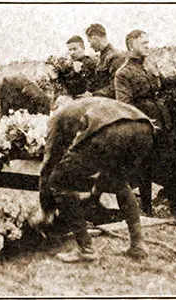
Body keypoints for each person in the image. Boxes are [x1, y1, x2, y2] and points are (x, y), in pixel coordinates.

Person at [36, 97, 156, 262]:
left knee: (59, 181)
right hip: (144, 127)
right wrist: (95, 193)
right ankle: (138, 244)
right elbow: (105, 167)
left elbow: (49, 164)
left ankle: (86, 249)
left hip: (109, 130)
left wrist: (45, 209)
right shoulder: (88, 104)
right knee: (119, 181)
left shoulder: (57, 116)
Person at [114, 30, 176, 221]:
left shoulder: (149, 65)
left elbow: (163, 84)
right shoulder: (123, 73)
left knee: (170, 164)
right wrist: (144, 121)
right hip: (144, 126)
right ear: (131, 45)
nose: (147, 45)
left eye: (147, 42)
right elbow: (125, 104)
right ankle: (148, 211)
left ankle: (175, 212)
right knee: (145, 168)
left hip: (162, 121)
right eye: (143, 43)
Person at [85, 24, 126, 98]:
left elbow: (116, 86)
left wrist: (93, 95)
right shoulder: (103, 56)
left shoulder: (115, 56)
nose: (90, 46)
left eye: (89, 41)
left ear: (95, 39)